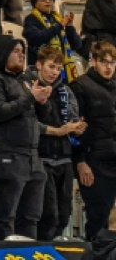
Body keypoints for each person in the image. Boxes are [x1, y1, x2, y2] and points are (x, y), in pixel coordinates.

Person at [0, 34, 48, 239]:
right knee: (6, 216)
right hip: (5, 154)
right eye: (16, 51)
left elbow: (33, 114)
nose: (21, 55)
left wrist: (42, 102)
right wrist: (30, 98)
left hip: (31, 156)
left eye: (23, 51)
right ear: (3, 53)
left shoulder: (24, 80)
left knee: (30, 217)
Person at [31, 44, 87, 240]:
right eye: (51, 66)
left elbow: (72, 121)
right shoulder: (29, 88)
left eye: (58, 68)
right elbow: (28, 124)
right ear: (39, 65)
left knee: (64, 215)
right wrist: (58, 131)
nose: (54, 72)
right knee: (49, 215)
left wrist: (77, 128)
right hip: (41, 159)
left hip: (64, 159)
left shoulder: (67, 92)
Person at [71, 41, 116, 240]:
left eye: (113, 62)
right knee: (98, 217)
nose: (109, 67)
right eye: (104, 62)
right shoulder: (80, 86)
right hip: (94, 161)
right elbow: (74, 130)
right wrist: (80, 162)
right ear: (93, 61)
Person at [24, 0, 83, 71]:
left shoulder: (57, 18)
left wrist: (69, 27)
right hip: (40, 70)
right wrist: (59, 26)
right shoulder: (31, 19)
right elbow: (37, 37)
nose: (48, 1)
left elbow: (77, 45)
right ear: (34, 2)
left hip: (61, 69)